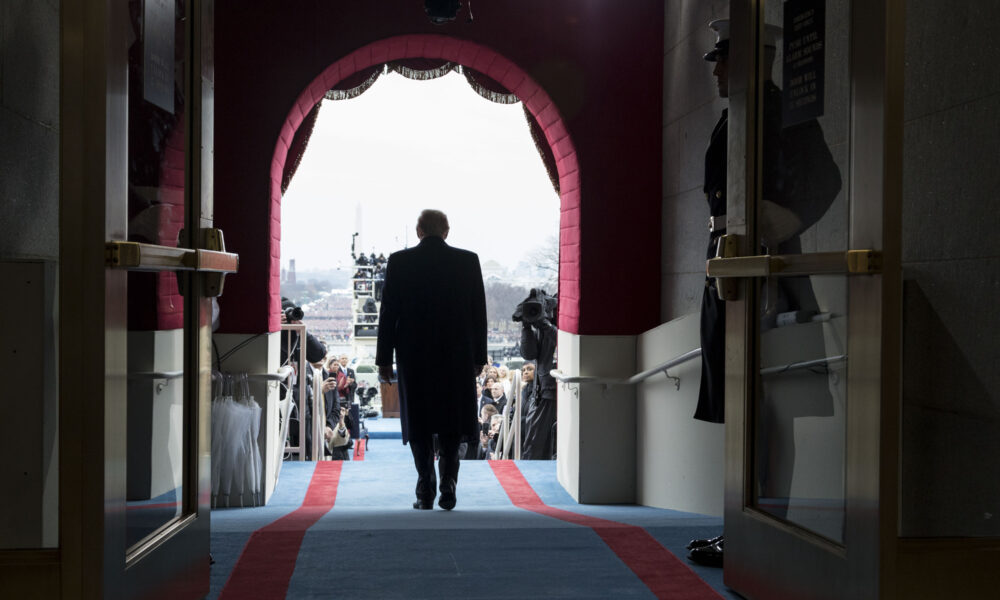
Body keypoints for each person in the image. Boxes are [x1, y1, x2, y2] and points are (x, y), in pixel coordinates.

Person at [691, 18, 840, 568]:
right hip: (733, 275)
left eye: (725, 59)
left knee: (770, 414)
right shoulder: (739, 117)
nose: (718, 71)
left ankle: (765, 528)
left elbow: (826, 178)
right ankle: (746, 525)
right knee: (746, 410)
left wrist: (787, 218)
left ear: (756, 61)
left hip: (768, 279)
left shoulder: (779, 113)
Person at [376, 209, 487, 511]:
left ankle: (425, 487)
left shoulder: (400, 262)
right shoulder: (468, 261)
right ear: (447, 232)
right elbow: (479, 315)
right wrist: (479, 357)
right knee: (453, 421)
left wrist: (384, 359)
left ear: (419, 231)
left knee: (419, 421)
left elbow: (388, 314)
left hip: (414, 355)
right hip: (456, 355)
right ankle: (449, 483)